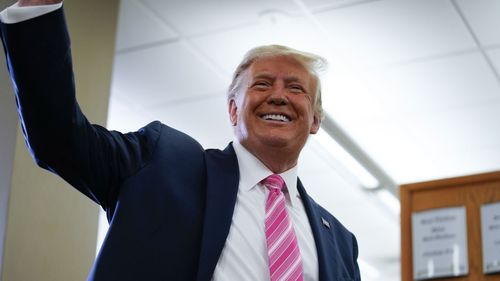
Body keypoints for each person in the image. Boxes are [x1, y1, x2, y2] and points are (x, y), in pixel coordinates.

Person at [0, 1, 361, 280]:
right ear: (234, 111)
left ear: (315, 120)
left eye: (295, 88)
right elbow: (58, 139)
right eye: (262, 84)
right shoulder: (162, 164)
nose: (278, 96)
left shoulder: (340, 243)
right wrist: (38, 8)